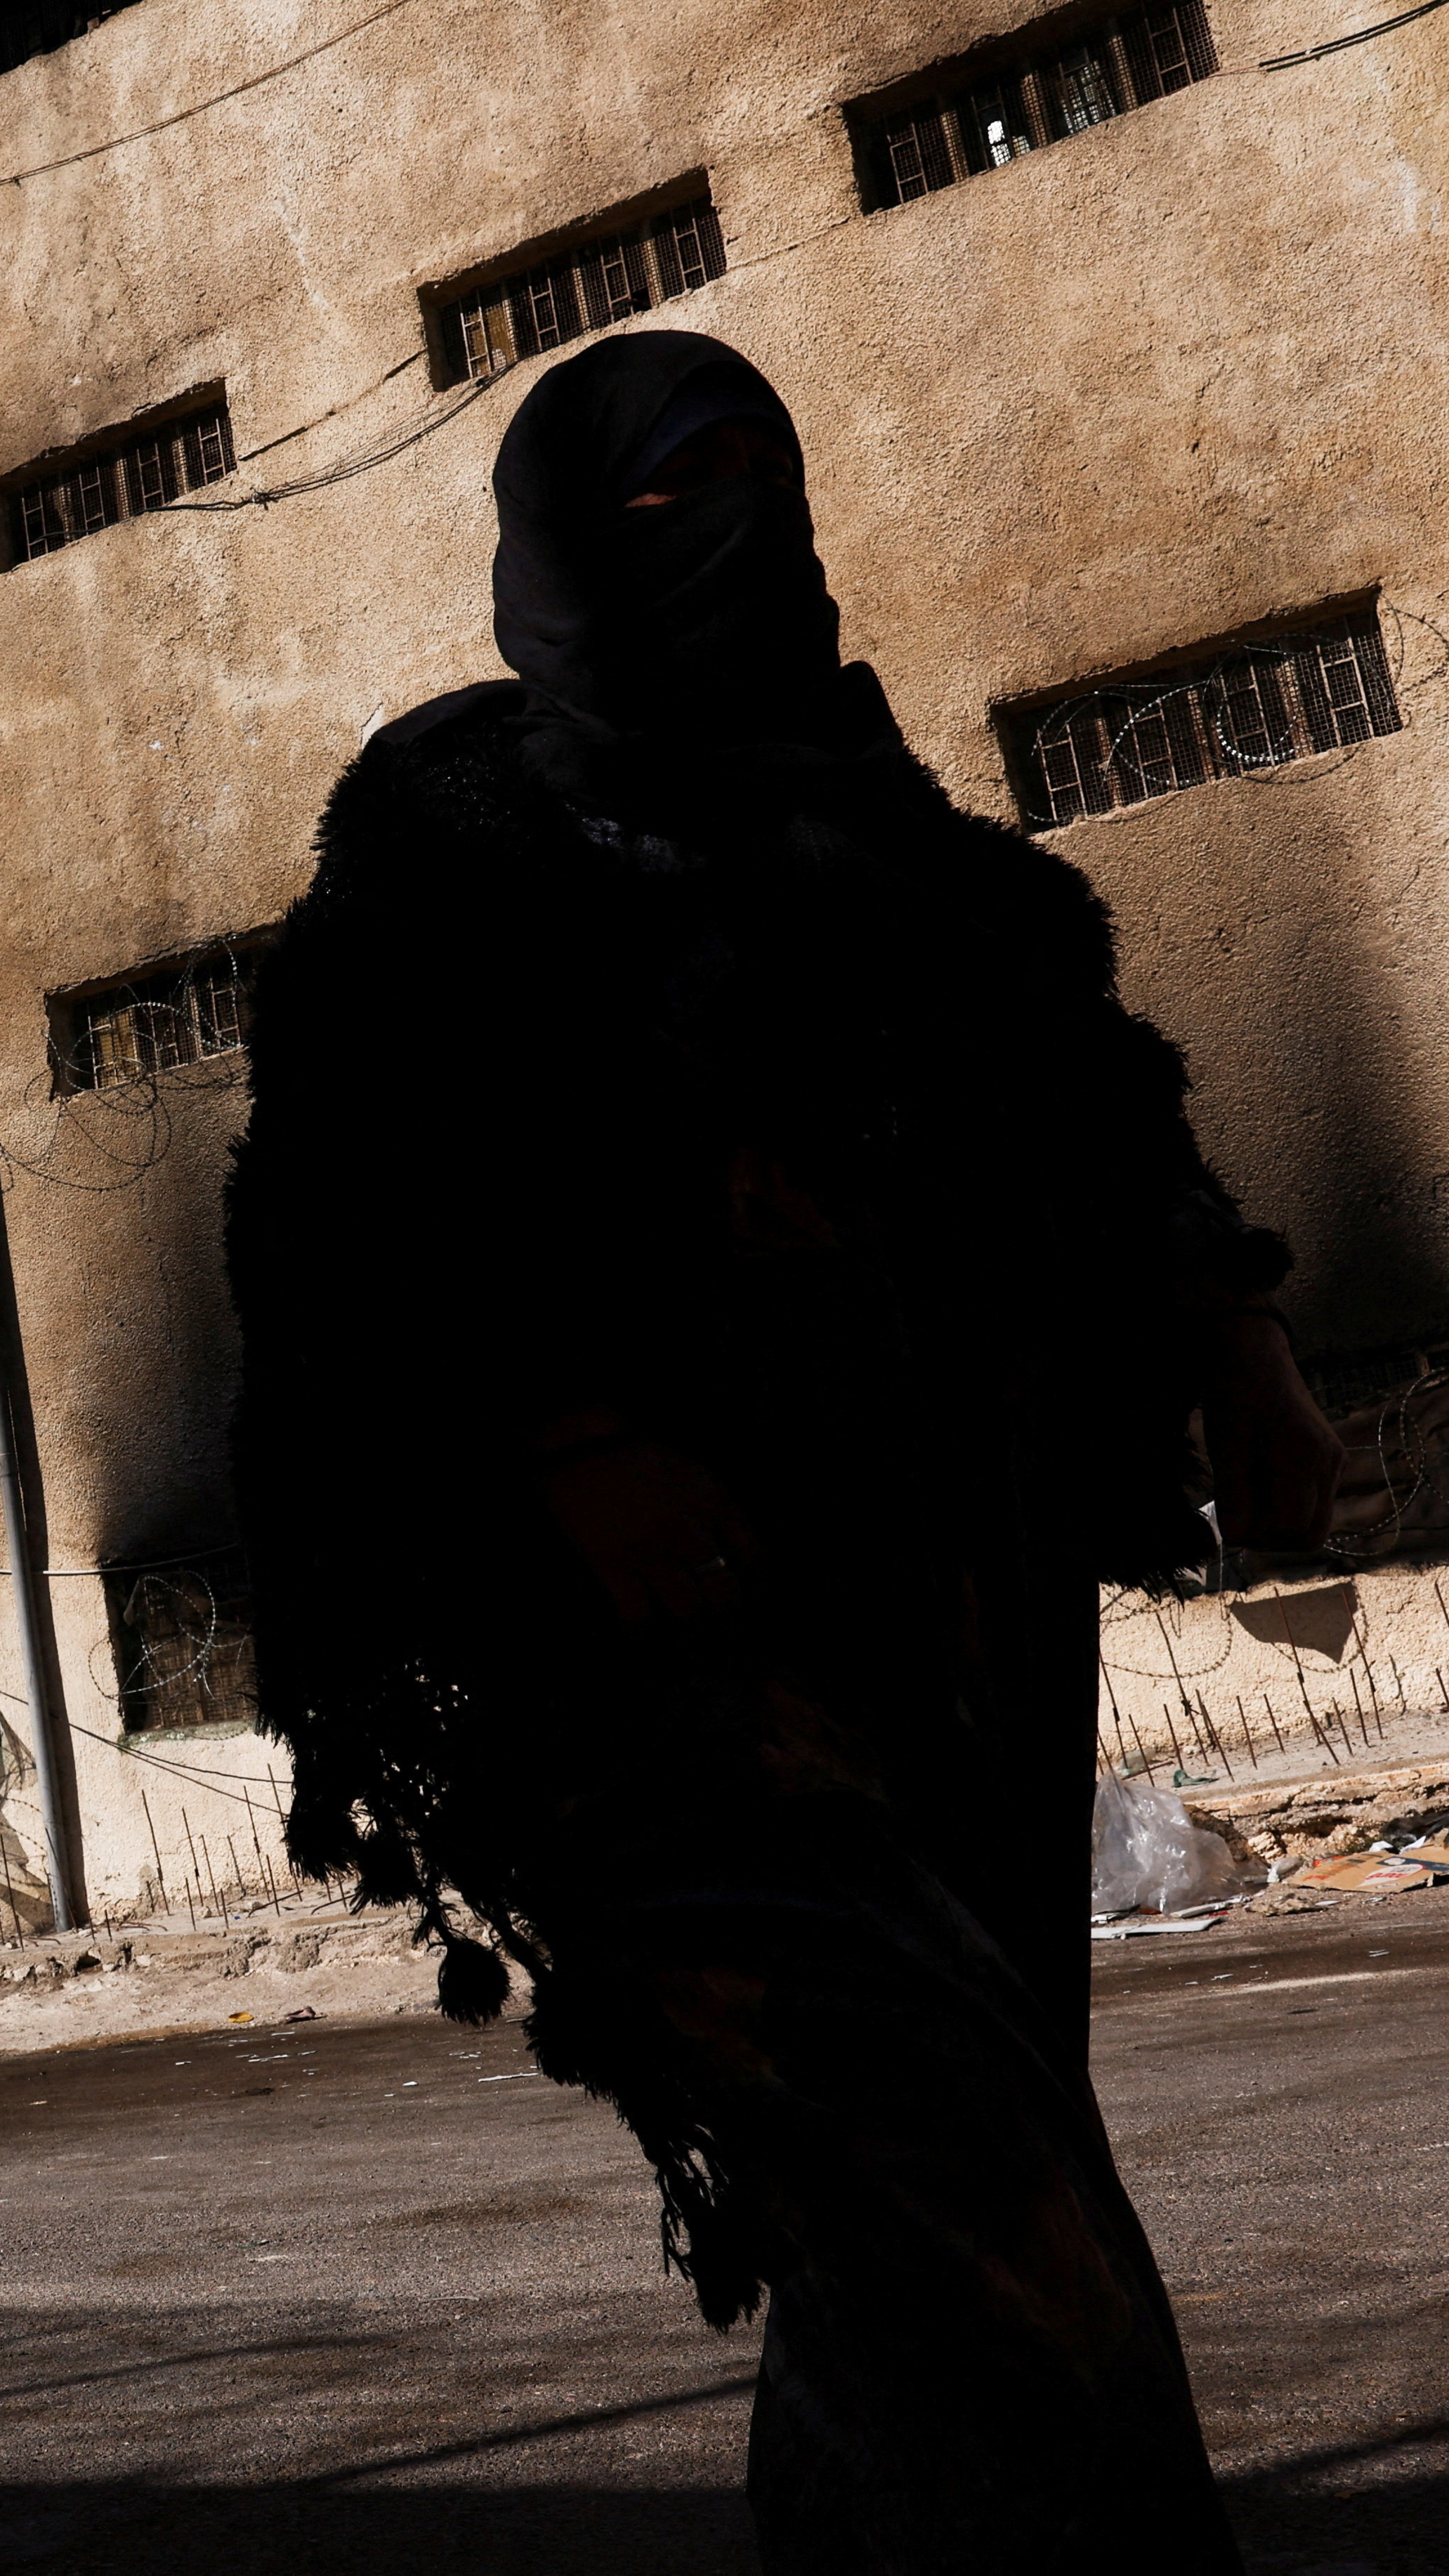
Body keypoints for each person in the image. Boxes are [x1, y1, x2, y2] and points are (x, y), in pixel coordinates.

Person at [226, 331, 1342, 2570]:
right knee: (985, 2225)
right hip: (656, 1680)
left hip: (959, 1631)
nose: (726, 540)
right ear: (552, 547)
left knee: (900, 2256)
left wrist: (1238, 1341)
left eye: (759, 479)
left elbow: (1085, 1075)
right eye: (663, 503)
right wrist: (566, 1429)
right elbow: (358, 1197)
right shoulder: (463, 840)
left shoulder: (904, 848)